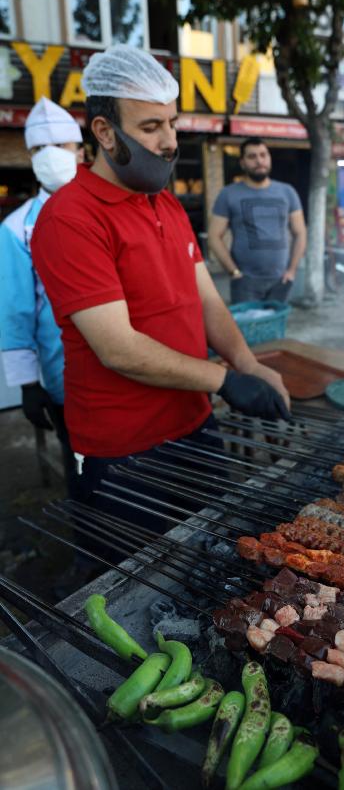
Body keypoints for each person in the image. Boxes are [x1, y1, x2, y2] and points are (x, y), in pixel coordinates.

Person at [31, 46, 290, 534]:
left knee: (214, 566)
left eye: (171, 124)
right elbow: (119, 348)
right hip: (122, 450)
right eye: (151, 127)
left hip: (195, 424)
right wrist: (224, 381)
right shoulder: (69, 217)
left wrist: (248, 364)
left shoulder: (166, 205)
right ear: (105, 132)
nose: (170, 141)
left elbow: (207, 301)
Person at [0, 97, 83, 495]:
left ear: (81, 150)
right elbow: (15, 311)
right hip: (62, 375)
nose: (50, 156)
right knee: (83, 466)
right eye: (37, 149)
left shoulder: (111, 210)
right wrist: (27, 383)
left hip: (128, 366)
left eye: (61, 146)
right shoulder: (17, 229)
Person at [209, 138, 307, 303]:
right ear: (242, 162)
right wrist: (234, 272)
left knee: (275, 328)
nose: (259, 161)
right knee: (246, 329)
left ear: (269, 158)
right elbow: (213, 236)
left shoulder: (287, 192)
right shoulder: (228, 194)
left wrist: (291, 271)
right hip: (245, 283)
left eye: (263, 155)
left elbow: (300, 233)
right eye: (252, 157)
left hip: (280, 281)